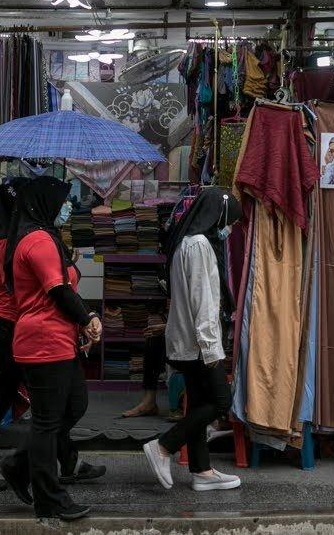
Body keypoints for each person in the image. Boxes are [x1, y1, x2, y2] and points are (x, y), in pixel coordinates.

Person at [0, 179, 105, 492]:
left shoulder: (23, 237)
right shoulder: (11, 242)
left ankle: (63, 463)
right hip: (8, 326)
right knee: (7, 401)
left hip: (16, 326)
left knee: (51, 403)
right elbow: (44, 289)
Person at [0, 177, 102, 521]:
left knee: (74, 405)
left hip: (60, 339)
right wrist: (87, 318)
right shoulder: (38, 240)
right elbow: (58, 290)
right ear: (45, 203)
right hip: (44, 341)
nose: (67, 206)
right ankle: (50, 499)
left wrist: (83, 321)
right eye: (63, 200)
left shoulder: (45, 237)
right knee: (46, 423)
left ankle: (18, 464)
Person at [142, 187, 243, 492]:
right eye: (230, 222)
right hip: (199, 343)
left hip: (188, 340)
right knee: (221, 401)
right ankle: (163, 446)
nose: (229, 229)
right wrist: (212, 349)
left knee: (198, 402)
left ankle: (202, 471)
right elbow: (203, 301)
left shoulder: (186, 242)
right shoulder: (198, 245)